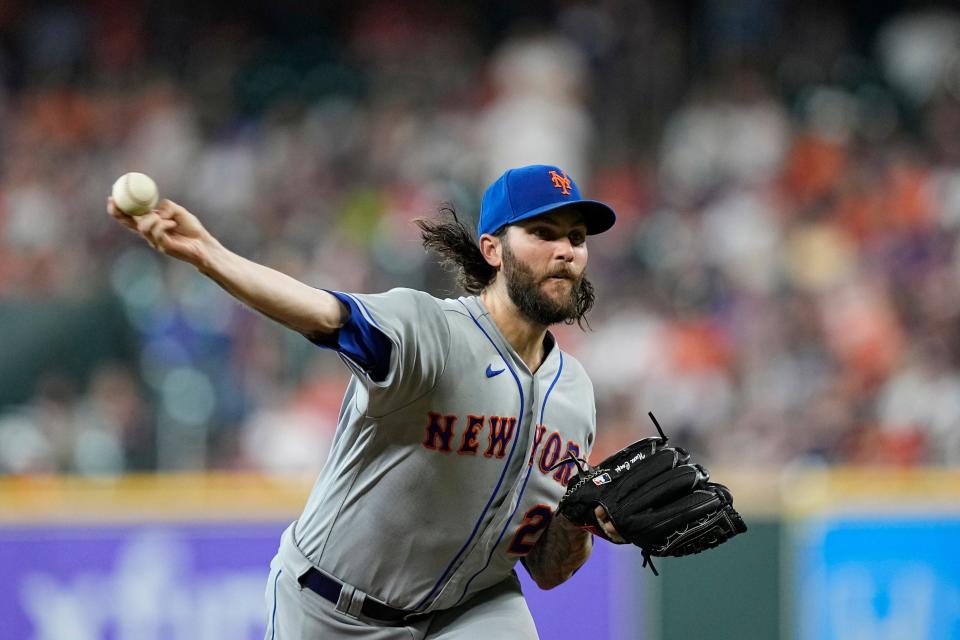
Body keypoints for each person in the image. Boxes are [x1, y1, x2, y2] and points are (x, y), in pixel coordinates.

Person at [107, 164, 621, 639]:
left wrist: (580, 519)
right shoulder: (432, 332)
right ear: (492, 250)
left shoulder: (575, 394)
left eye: (576, 237)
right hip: (333, 608)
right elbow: (325, 314)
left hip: (470, 609)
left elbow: (549, 571)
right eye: (543, 233)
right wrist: (208, 254)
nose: (566, 251)